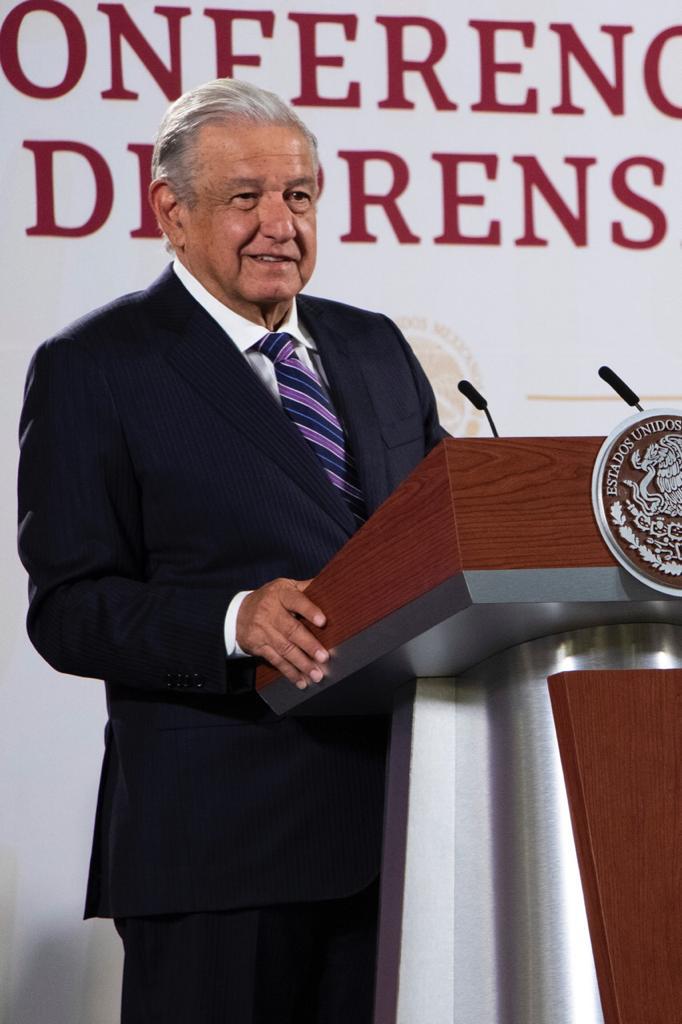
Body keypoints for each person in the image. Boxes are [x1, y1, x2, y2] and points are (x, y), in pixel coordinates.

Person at [18, 79, 443, 1023]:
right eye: (246, 197)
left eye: (299, 195)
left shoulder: (376, 347)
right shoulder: (96, 366)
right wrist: (231, 620)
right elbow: (69, 608)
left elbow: (446, 529)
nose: (279, 225)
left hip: (403, 838)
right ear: (171, 211)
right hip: (216, 849)